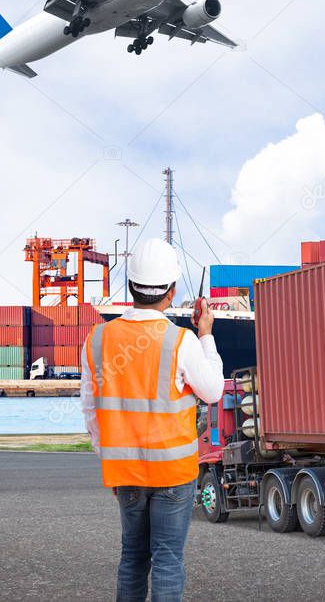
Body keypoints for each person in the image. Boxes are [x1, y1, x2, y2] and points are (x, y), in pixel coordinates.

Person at [81, 238, 223, 601]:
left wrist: (110, 458)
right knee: (167, 560)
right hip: (174, 473)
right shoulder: (182, 341)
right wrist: (206, 334)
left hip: (126, 472)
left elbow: (90, 410)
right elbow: (213, 392)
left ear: (129, 287)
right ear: (172, 291)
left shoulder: (97, 339)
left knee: (132, 557)